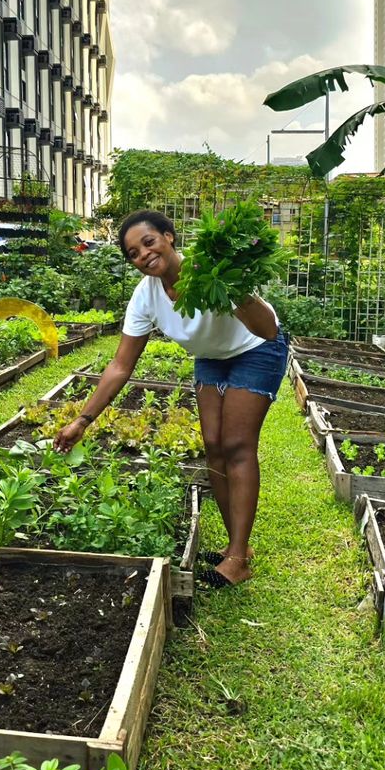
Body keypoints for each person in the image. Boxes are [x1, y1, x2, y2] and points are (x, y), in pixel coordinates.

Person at [53, 210, 287, 587]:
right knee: (212, 446)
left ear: (169, 237)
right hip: (212, 356)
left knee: (237, 444)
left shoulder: (208, 269)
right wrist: (83, 420)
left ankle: (239, 559)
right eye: (133, 253)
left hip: (256, 349)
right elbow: (120, 365)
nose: (143, 254)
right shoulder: (146, 297)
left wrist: (235, 286)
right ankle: (235, 547)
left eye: (149, 242)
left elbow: (268, 329)